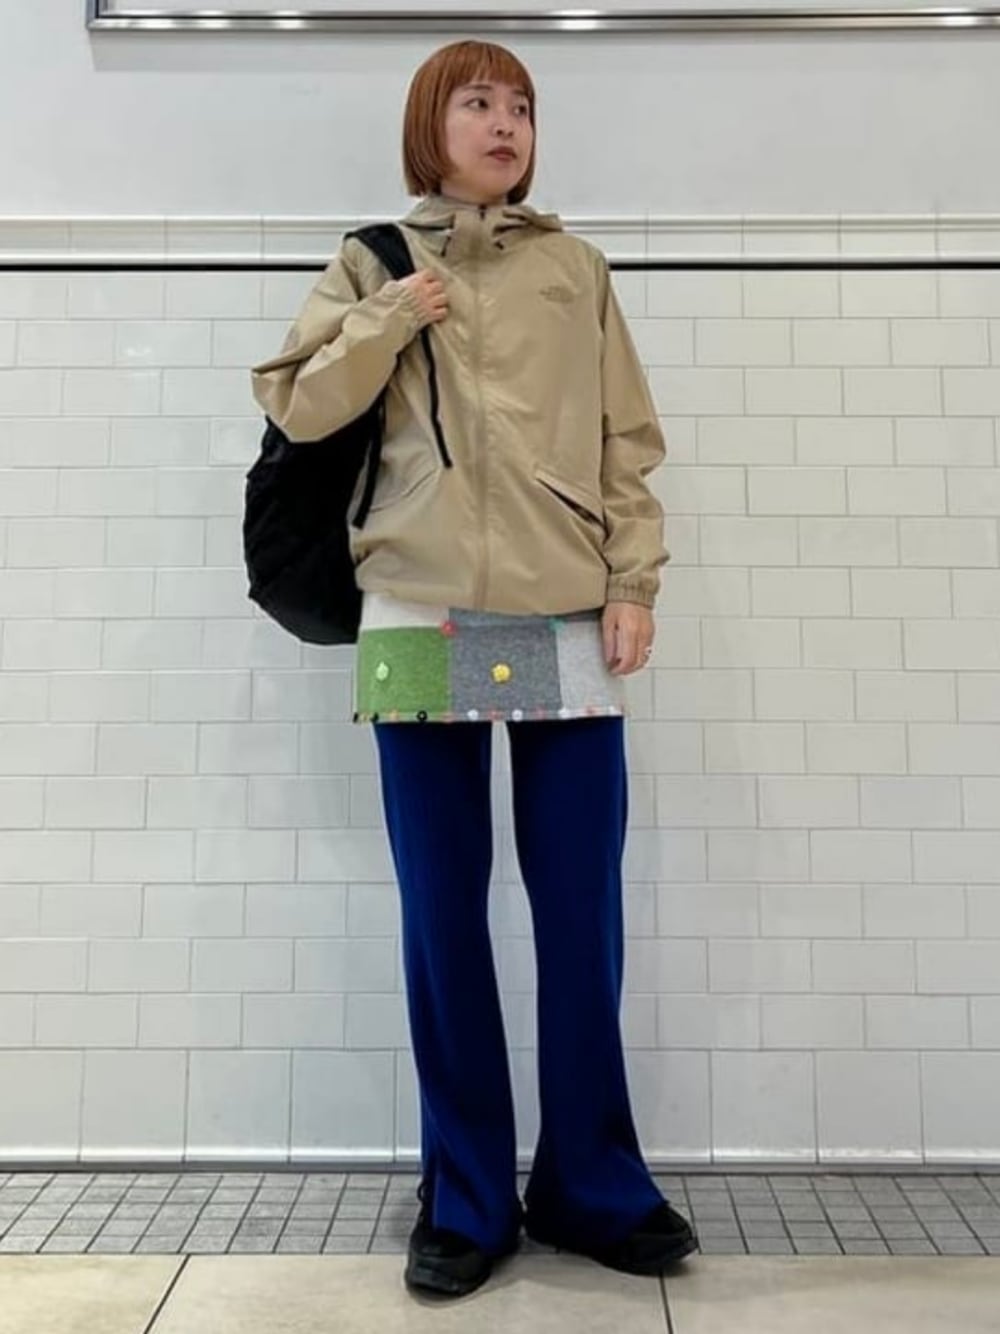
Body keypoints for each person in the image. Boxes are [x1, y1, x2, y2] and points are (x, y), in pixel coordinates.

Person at [251, 38, 698, 1299]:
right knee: (442, 914)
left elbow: (625, 441)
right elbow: (297, 404)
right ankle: (464, 1193)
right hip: (417, 606)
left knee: (580, 911)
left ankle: (591, 1181)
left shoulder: (575, 269)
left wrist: (632, 582)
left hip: (564, 607)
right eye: (477, 103)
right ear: (429, 127)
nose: (505, 123)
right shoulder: (372, 260)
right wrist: (396, 311)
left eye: (521, 106)